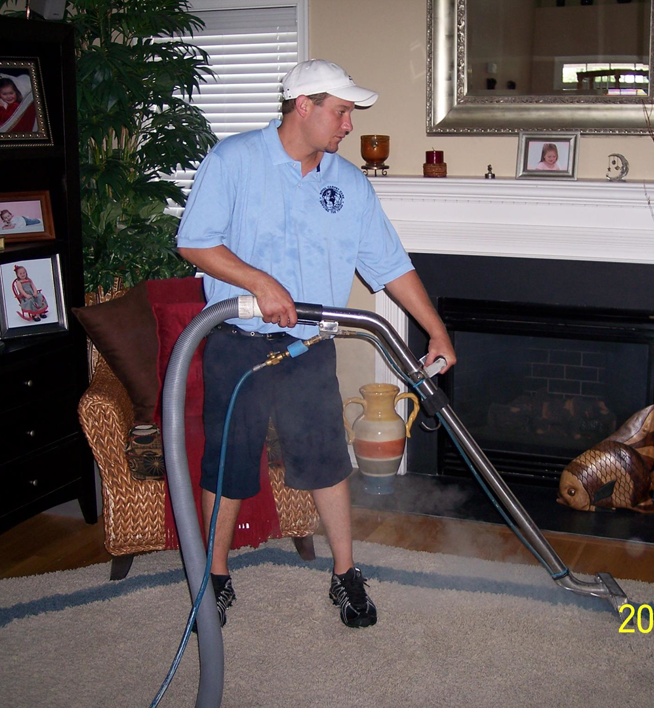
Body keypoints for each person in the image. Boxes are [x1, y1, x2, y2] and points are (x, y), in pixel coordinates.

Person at [176, 59, 456, 630]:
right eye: (342, 111)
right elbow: (194, 242)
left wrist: (437, 329)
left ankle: (345, 574)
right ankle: (215, 578)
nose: (348, 125)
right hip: (237, 339)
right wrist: (259, 282)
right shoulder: (234, 161)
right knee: (228, 464)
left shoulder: (347, 183)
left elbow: (389, 264)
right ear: (303, 105)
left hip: (307, 347)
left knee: (328, 463)